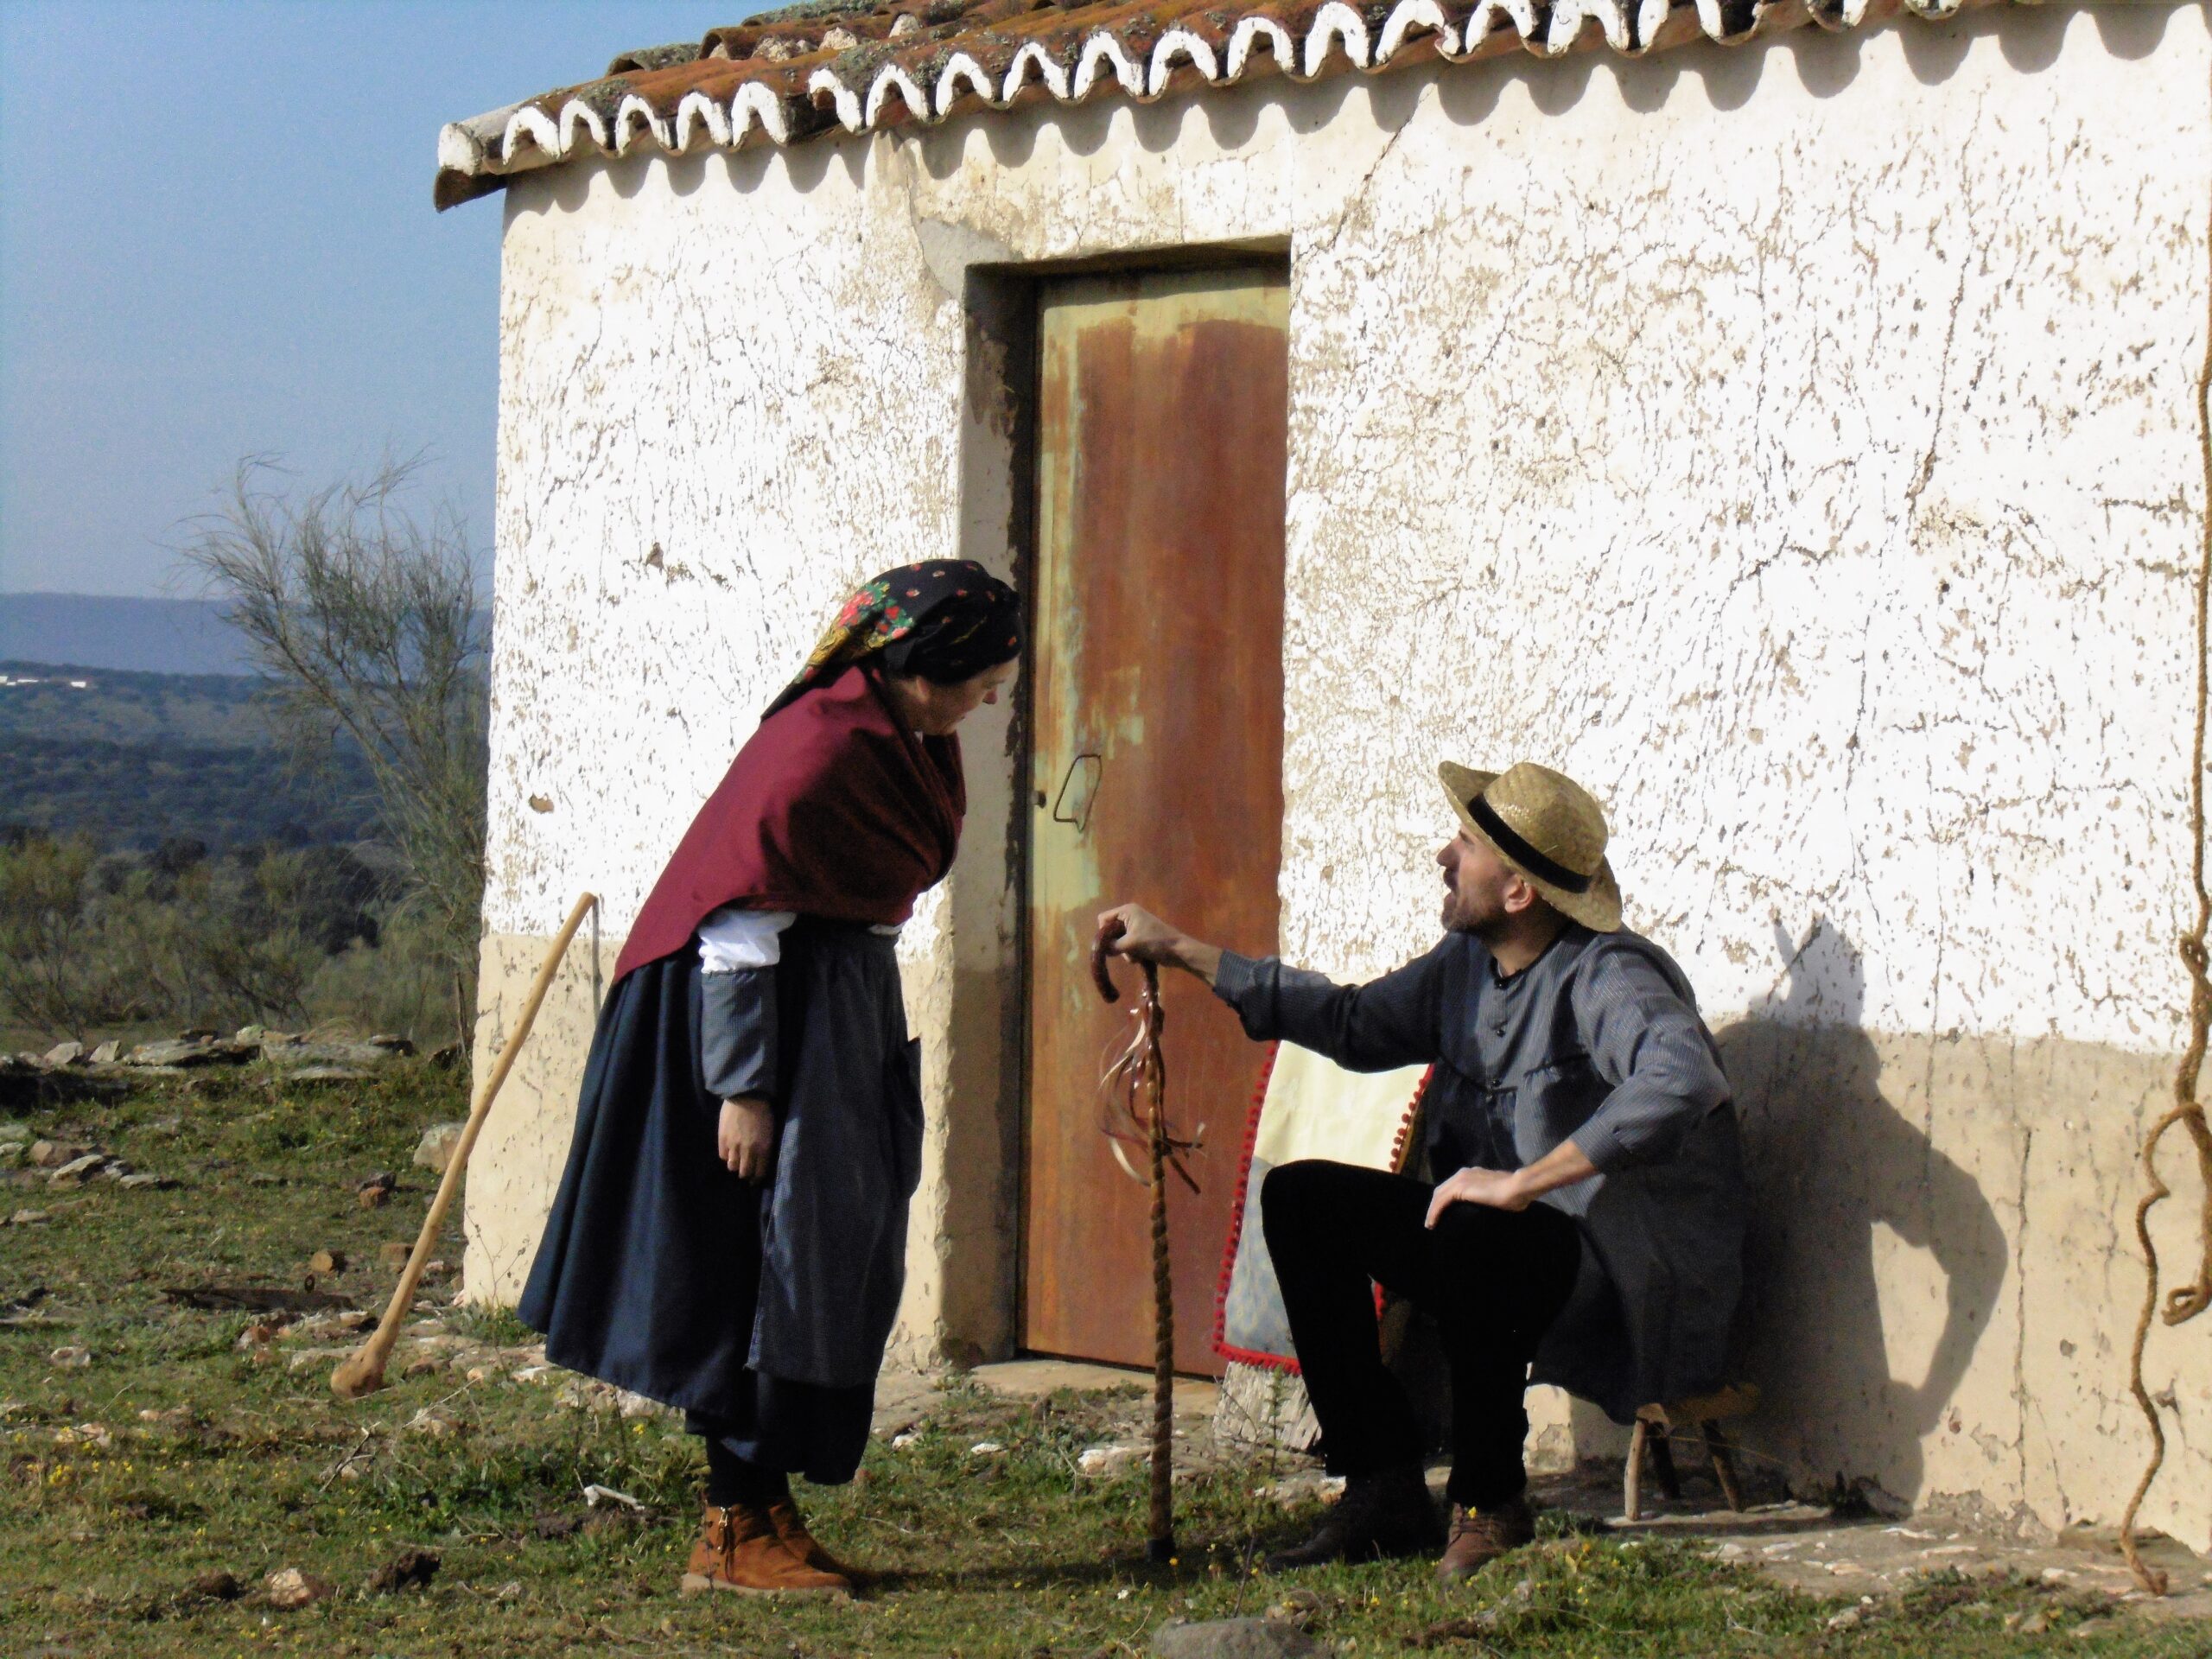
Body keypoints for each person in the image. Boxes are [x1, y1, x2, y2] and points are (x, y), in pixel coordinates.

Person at [1100, 760, 1746, 1582]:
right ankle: (1382, 1489)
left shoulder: (1607, 974)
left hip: (1604, 1273)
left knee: (1480, 1225)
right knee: (1301, 1200)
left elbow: (1682, 1078)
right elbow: (1350, 1021)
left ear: (1518, 891)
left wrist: (1521, 1181)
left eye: (1466, 845)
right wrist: (1180, 950)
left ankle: (1490, 1501)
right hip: (1490, 1249)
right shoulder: (1463, 967)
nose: (1445, 856)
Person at [518, 561, 1020, 1597]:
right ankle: (731, 1528)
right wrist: (743, 1090)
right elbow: (740, 926)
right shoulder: (820, 751)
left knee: (814, 1255)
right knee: (756, 1265)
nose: (987, 700)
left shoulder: (901, 743)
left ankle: (765, 1510)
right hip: (748, 1032)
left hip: (827, 1019)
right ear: (924, 664)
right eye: (981, 680)